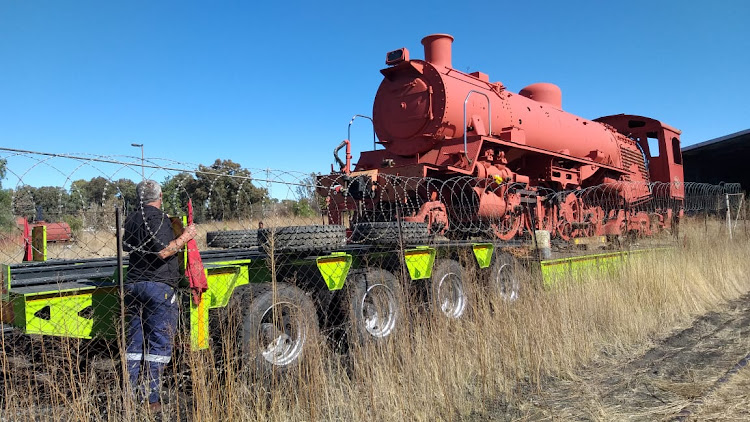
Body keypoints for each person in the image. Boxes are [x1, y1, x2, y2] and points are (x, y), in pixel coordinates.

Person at [123, 179, 197, 411]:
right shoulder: (158, 218)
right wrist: (186, 235)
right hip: (158, 287)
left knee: (134, 344)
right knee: (159, 344)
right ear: (160, 195)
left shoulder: (133, 217)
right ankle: (150, 399)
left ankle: (129, 395)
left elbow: (126, 246)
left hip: (134, 286)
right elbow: (164, 251)